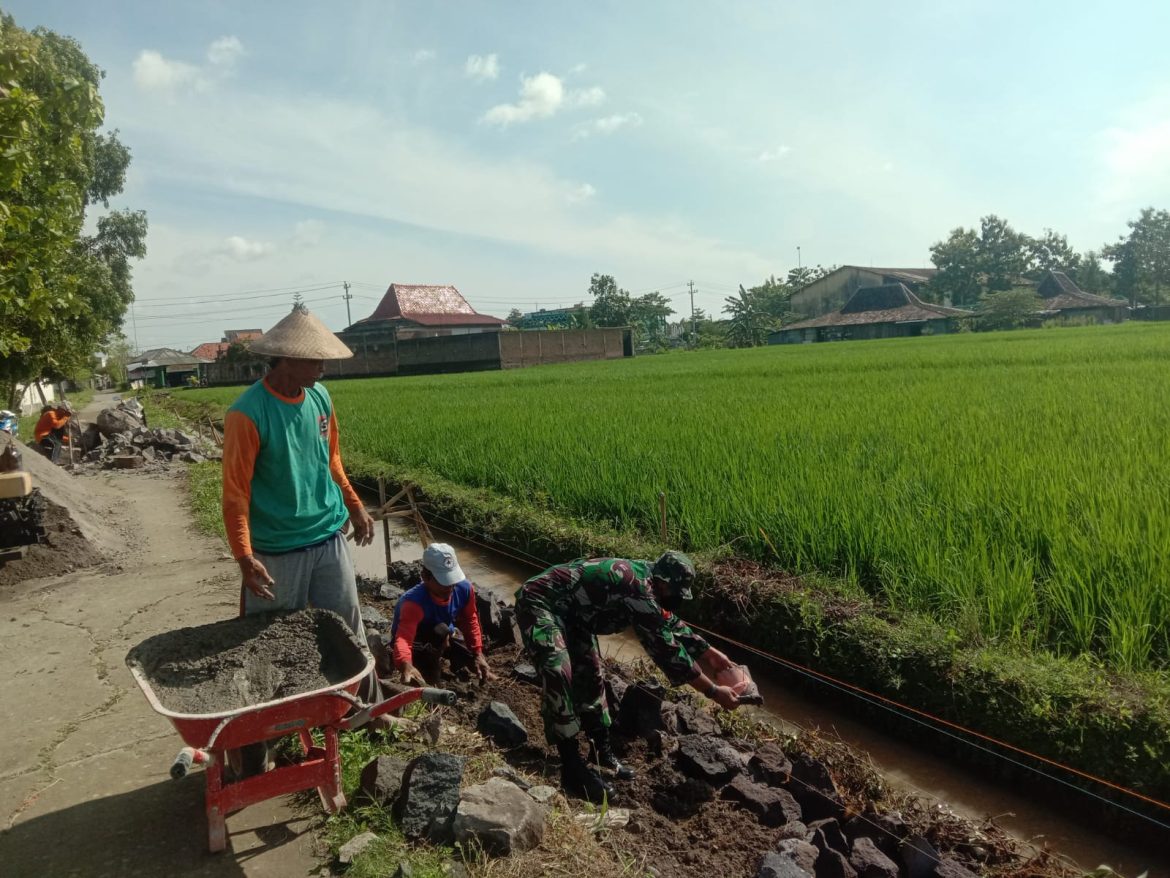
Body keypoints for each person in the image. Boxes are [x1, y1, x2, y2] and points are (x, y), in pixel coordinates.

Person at [515, 551, 743, 802]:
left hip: (574, 614)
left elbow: (668, 620)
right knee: (559, 671)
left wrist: (710, 654)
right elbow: (669, 653)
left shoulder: (651, 581)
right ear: (663, 582)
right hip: (540, 603)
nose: (676, 599)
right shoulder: (638, 589)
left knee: (590, 671)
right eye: (675, 592)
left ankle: (600, 752)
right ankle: (572, 768)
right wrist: (713, 691)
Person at [221, 303, 376, 649]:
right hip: (276, 551)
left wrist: (354, 505)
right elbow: (235, 493)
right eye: (314, 359)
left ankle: (357, 699)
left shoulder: (320, 397)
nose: (322, 368)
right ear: (287, 358)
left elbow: (330, 458)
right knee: (272, 639)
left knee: (348, 632)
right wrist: (245, 558)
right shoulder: (247, 414)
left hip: (328, 537)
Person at [390, 543, 496, 686]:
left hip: (445, 629)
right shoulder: (413, 603)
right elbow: (404, 638)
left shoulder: (464, 588)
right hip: (418, 638)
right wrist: (405, 664)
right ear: (425, 577)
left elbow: (470, 619)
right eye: (444, 581)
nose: (450, 586)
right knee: (429, 680)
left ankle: (463, 660)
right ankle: (428, 668)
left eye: (452, 579)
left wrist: (477, 652)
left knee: (469, 651)